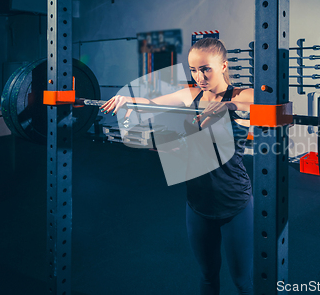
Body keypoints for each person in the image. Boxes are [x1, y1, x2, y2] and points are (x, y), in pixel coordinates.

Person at [100, 38, 254, 295]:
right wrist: (126, 99)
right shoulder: (191, 95)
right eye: (193, 70)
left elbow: (259, 102)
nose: (199, 76)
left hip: (235, 202)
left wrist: (227, 106)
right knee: (207, 276)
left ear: (224, 65)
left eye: (206, 68)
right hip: (197, 203)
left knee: (243, 281)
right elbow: (150, 104)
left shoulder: (239, 94)